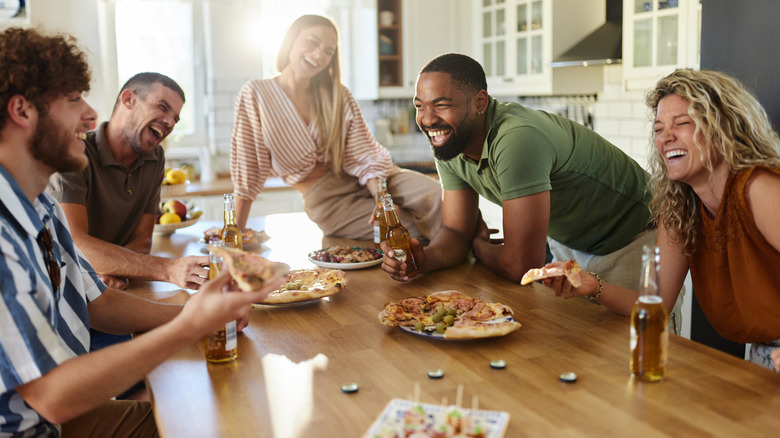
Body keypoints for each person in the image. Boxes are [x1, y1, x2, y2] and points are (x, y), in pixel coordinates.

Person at [0, 27, 282, 436]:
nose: (90, 114)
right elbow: (51, 397)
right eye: (74, 98)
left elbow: (96, 302)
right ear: (22, 111)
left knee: (211, 419)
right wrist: (187, 327)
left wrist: (194, 314)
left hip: (53, 422)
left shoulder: (39, 207)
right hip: (34, 427)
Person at [381, 52, 684, 332]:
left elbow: (519, 264)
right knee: (580, 364)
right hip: (571, 247)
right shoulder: (450, 143)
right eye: (420, 105)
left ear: (480, 102)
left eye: (442, 104)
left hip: (633, 241)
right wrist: (422, 259)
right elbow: (455, 232)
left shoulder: (517, 139)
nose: (427, 118)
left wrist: (478, 245)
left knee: (639, 360)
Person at [542, 69, 780, 372]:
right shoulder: (679, 207)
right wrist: (591, 286)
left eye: (682, 124)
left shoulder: (758, 188)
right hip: (765, 353)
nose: (666, 138)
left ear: (723, 128)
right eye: (658, 128)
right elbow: (658, 304)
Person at [230, 14, 441, 240]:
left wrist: (381, 200)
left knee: (439, 198)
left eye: (328, 51)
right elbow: (248, 168)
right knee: (407, 230)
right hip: (328, 200)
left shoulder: (336, 95)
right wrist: (234, 232)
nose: (319, 55)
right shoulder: (256, 94)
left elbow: (366, 154)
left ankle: (478, 250)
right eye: (312, 42)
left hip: (376, 179)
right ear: (290, 40)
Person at [47, 72, 208, 292]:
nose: (170, 123)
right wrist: (169, 269)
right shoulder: (75, 152)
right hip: (68, 290)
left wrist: (115, 270)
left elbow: (142, 240)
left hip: (119, 288)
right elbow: (74, 242)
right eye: (162, 107)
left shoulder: (155, 158)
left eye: (175, 118)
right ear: (128, 99)